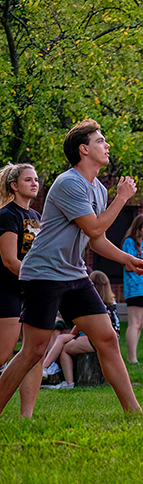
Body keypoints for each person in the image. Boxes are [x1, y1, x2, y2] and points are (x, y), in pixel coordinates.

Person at [0, 120, 143, 416]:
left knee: (107, 338)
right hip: (43, 275)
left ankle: (135, 413)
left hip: (74, 275)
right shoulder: (69, 183)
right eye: (101, 141)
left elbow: (96, 240)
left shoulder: (99, 191)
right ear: (84, 149)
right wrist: (122, 198)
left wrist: (125, 259)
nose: (107, 146)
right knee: (34, 351)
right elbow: (94, 226)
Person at [0, 163, 41, 413]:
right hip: (7, 289)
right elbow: (9, 260)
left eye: (36, 179)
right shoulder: (6, 215)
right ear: (14, 186)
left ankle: (27, 416)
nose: (34, 183)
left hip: (32, 290)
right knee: (3, 352)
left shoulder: (36, 217)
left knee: (35, 352)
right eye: (28, 180)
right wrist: (36, 278)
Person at [40, 270, 120, 389]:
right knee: (62, 337)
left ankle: (63, 379)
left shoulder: (93, 304)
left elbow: (80, 324)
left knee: (65, 349)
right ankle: (47, 367)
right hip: (110, 337)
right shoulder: (110, 302)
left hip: (96, 337)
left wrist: (73, 335)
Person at [120, 213, 143, 364]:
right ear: (137, 228)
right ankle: (131, 357)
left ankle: (133, 355)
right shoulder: (129, 242)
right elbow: (127, 264)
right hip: (135, 286)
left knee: (141, 323)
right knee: (134, 322)